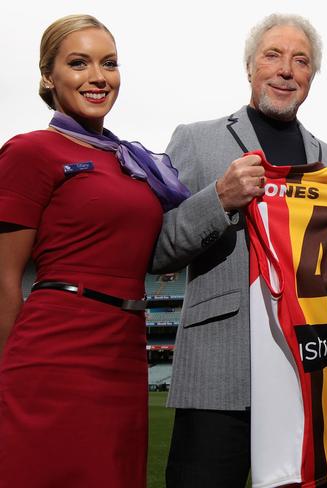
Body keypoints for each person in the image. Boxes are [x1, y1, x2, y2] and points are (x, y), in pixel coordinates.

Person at [150, 13, 327, 488]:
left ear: (311, 78)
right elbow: (158, 249)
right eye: (273, 55)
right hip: (220, 369)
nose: (286, 69)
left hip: (309, 370)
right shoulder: (197, 139)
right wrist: (218, 198)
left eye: (301, 61)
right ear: (250, 66)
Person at [0, 14, 188, 488]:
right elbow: (3, 278)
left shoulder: (130, 160)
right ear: (48, 76)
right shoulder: (30, 151)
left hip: (125, 350)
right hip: (54, 353)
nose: (97, 77)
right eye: (78, 63)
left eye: (109, 63)